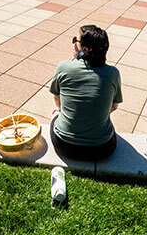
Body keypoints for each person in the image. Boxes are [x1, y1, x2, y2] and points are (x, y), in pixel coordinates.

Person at [49, 25, 122, 161]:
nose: (74, 45)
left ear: (85, 49)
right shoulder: (113, 73)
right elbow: (114, 106)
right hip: (102, 149)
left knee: (55, 113)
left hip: (64, 145)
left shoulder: (64, 67)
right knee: (107, 124)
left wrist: (60, 111)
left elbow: (56, 97)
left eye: (76, 41)